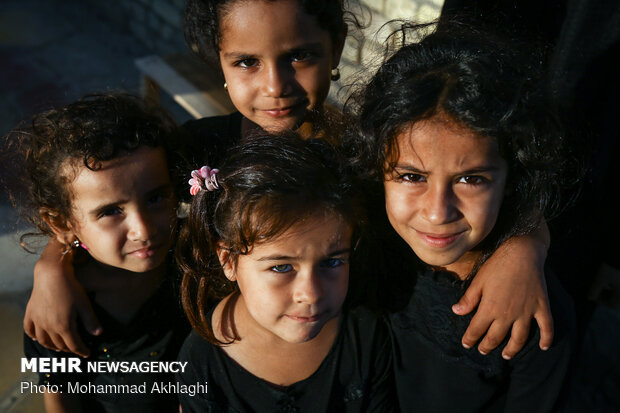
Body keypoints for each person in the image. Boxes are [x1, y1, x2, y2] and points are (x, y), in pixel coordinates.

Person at [26, 0, 552, 362]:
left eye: (300, 56)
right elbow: (103, 198)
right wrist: (53, 264)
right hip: (214, 364)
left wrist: (526, 245)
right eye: (248, 62)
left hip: (345, 365)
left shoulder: (369, 154)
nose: (275, 86)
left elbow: (471, 192)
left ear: (337, 44)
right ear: (220, 62)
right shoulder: (195, 150)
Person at [353, 23, 576, 412]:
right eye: (411, 176)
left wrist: (526, 245)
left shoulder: (532, 312)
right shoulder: (364, 236)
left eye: (471, 179)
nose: (438, 212)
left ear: (511, 178)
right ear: (376, 167)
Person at [175, 133, 394, 412]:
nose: (311, 293)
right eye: (281, 267)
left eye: (332, 263)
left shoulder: (365, 336)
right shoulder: (202, 363)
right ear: (228, 261)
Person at [6, 94, 189, 413]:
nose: (143, 230)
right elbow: (62, 400)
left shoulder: (197, 266)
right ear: (62, 223)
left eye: (156, 198)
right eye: (110, 212)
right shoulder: (60, 314)